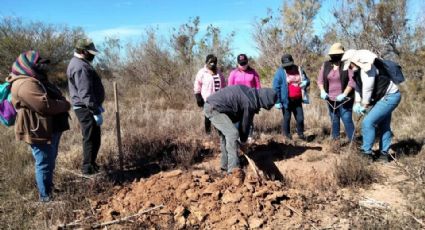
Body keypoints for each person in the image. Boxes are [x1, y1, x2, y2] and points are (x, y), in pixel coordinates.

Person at [6, 50, 71, 202]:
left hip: (47, 128)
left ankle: (49, 188)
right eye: (39, 64)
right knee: (44, 163)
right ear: (27, 65)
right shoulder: (25, 83)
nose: (43, 67)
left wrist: (60, 103)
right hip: (37, 130)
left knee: (49, 160)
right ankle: (45, 197)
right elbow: (44, 106)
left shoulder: (35, 79)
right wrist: (65, 105)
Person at [204, 85, 277, 183]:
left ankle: (224, 168)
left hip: (217, 108)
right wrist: (243, 142)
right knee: (232, 134)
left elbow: (245, 123)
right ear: (263, 100)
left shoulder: (251, 94)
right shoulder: (250, 102)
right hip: (214, 109)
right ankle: (233, 171)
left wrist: (242, 141)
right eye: (264, 106)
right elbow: (245, 124)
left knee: (227, 137)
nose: (262, 108)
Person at [341, 49, 401, 161]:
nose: (349, 67)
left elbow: (368, 88)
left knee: (368, 122)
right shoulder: (357, 71)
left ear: (353, 61)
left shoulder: (368, 69)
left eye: (349, 65)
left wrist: (364, 105)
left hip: (390, 96)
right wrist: (357, 102)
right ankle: (384, 154)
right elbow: (358, 87)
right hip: (383, 97)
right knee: (384, 125)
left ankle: (366, 153)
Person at [67, 38, 105, 175]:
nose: (93, 55)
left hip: (87, 106)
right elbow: (85, 92)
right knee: (90, 138)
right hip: (85, 108)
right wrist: (95, 110)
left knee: (95, 137)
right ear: (83, 51)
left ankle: (92, 165)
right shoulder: (80, 66)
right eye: (90, 52)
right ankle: (88, 170)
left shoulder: (80, 63)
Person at [317, 43, 356, 142]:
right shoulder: (326, 65)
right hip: (330, 99)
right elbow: (320, 80)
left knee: (347, 119)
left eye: (337, 54)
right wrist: (322, 91)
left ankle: (353, 143)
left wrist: (344, 94)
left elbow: (352, 81)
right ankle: (335, 143)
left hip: (345, 100)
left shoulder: (347, 65)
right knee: (334, 120)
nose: (335, 56)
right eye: (333, 54)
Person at [272, 54, 310, 140]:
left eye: (289, 64)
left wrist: (306, 82)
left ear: (292, 62)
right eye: (285, 65)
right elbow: (275, 87)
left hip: (298, 100)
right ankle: (287, 136)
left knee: (300, 118)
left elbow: (307, 79)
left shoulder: (299, 69)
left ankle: (300, 134)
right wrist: (277, 101)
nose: (287, 67)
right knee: (287, 118)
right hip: (286, 100)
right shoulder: (280, 72)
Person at [228, 54, 261, 140]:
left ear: (247, 62)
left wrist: (258, 100)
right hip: (237, 101)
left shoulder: (253, 72)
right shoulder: (233, 73)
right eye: (241, 64)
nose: (243, 65)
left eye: (244, 63)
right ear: (237, 63)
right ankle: (238, 136)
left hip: (250, 100)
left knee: (249, 119)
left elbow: (258, 87)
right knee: (238, 119)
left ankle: (249, 136)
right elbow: (229, 88)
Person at [193, 54, 226, 134]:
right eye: (210, 62)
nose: (212, 64)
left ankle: (219, 133)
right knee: (208, 116)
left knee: (218, 116)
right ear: (206, 62)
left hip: (218, 99)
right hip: (207, 99)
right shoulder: (202, 72)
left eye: (214, 62)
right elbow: (197, 84)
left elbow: (223, 83)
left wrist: (225, 94)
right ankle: (208, 133)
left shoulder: (218, 71)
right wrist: (198, 96)